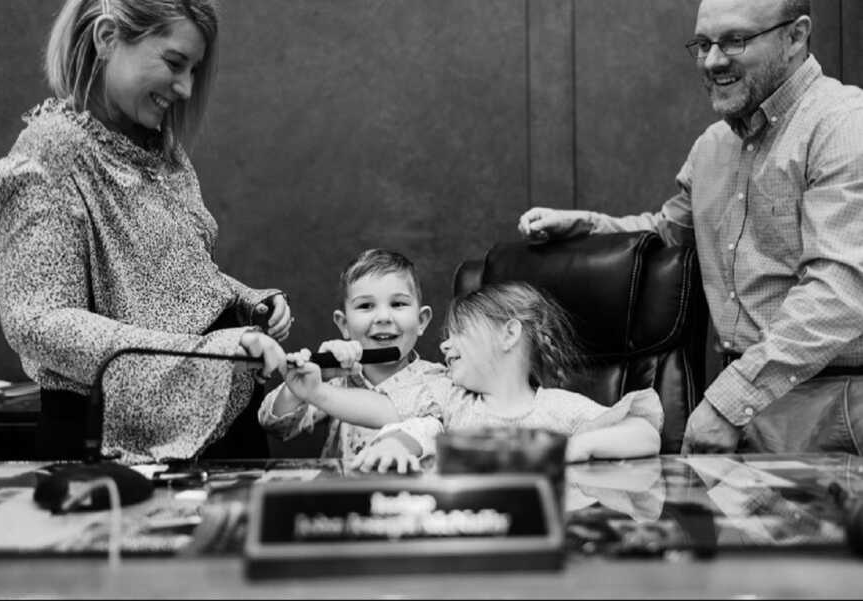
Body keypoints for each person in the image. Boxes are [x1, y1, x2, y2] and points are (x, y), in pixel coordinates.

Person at [517, 0, 863, 455]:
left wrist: (726, 404)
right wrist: (589, 225)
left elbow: (839, 291)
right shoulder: (712, 147)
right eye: (703, 44)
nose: (713, 60)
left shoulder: (844, 125)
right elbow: (670, 231)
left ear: (796, 36)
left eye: (735, 40)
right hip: (740, 405)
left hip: (834, 406)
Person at [0, 0, 291, 463]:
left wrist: (246, 300)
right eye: (174, 63)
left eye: (194, 70)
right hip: (118, 450)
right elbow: (38, 322)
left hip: (211, 426)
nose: (185, 88)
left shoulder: (160, 152)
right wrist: (207, 352)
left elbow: (171, 279)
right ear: (107, 38)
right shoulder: (49, 158)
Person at [351, 281, 664, 474]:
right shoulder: (453, 402)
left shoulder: (558, 408)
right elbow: (399, 420)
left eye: (458, 332)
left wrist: (578, 448)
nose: (444, 344)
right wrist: (318, 393)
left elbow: (645, 433)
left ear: (509, 334)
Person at [258, 248, 445, 461]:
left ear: (421, 321)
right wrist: (307, 382)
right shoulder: (337, 379)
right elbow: (275, 425)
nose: (383, 317)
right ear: (344, 324)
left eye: (398, 304)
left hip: (411, 493)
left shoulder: (437, 382)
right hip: (344, 491)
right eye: (366, 306)